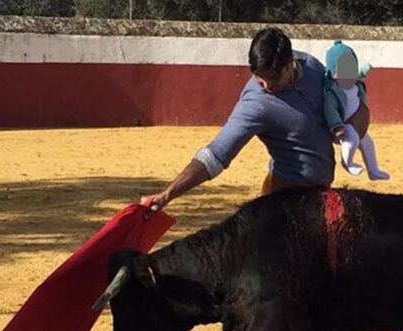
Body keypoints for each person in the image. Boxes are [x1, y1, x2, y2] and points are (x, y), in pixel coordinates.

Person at [140, 28, 370, 213]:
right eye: (260, 78)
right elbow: (216, 154)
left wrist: (358, 116)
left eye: (272, 77)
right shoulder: (256, 104)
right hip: (283, 201)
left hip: (320, 196)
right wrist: (168, 194)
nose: (267, 86)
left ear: (290, 64)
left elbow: (337, 102)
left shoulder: (311, 66)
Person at [323, 40, 390, 181]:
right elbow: (330, 110)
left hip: (357, 125)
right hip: (343, 127)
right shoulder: (331, 91)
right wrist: (337, 126)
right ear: (334, 73)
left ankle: (373, 171)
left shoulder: (352, 80)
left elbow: (360, 74)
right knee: (352, 138)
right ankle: (348, 163)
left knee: (367, 142)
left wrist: (365, 69)